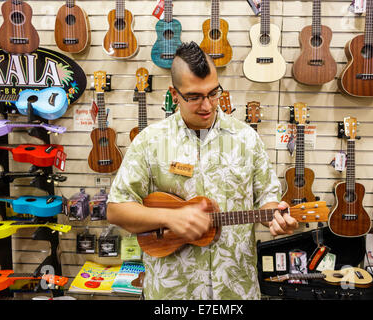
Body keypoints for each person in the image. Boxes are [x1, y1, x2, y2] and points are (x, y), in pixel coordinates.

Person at [107, 41, 298, 300]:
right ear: (174, 95)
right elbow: (116, 209)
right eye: (194, 97)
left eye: (213, 93)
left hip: (236, 290)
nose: (207, 105)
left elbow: (267, 200)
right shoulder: (149, 141)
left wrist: (276, 218)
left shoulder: (246, 138)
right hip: (172, 293)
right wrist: (168, 218)